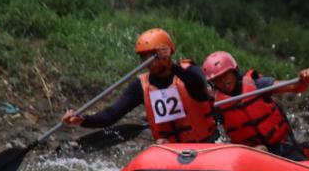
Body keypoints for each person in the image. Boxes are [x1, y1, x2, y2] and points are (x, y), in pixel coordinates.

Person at [62, 28, 217, 144]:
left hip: (205, 144)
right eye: (145, 57)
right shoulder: (141, 86)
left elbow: (201, 91)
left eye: (154, 56)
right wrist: (82, 119)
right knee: (160, 145)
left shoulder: (189, 72)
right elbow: (111, 115)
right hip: (170, 150)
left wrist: (172, 66)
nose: (151, 62)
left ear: (167, 53)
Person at [202, 51, 309, 161]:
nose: (223, 81)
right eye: (217, 79)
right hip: (252, 155)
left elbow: (295, 87)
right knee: (262, 150)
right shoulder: (216, 105)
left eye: (226, 75)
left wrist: (304, 80)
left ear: (234, 72)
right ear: (213, 84)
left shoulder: (257, 84)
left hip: (282, 147)